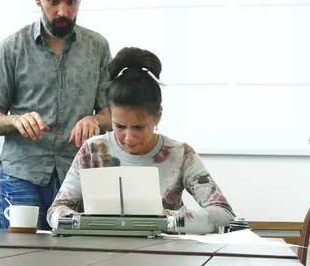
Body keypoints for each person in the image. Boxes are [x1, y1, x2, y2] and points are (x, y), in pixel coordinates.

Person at [0, 0, 112, 230]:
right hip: (20, 176)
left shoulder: (98, 47)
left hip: (77, 177)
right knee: (17, 258)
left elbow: (113, 113)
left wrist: (95, 120)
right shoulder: (11, 49)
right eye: (53, 1)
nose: (63, 11)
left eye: (71, 1)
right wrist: (14, 121)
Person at [47, 47, 235, 234]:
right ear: (109, 115)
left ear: (157, 116)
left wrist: (166, 217)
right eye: (119, 126)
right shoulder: (93, 151)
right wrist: (90, 221)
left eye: (138, 127)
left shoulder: (181, 155)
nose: (129, 138)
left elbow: (224, 214)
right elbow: (56, 211)